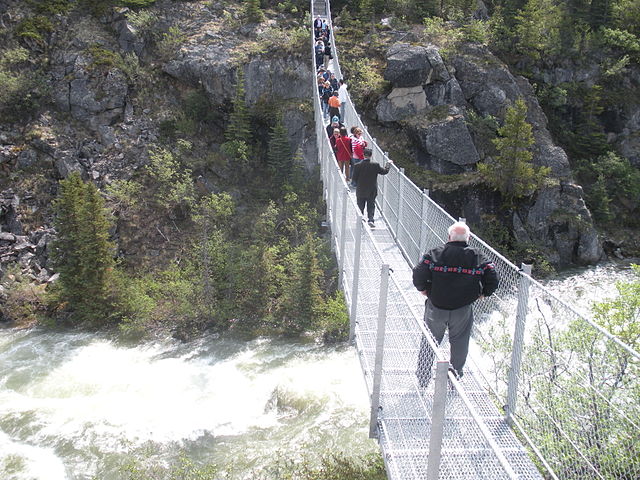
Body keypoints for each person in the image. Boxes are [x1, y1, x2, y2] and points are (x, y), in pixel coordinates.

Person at [412, 221, 499, 385]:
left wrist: (423, 289)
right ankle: (454, 378)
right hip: (462, 309)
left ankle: (423, 377)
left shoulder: (434, 254)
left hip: (436, 307)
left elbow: (418, 273)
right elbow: (493, 279)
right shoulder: (478, 256)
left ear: (449, 237)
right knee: (459, 344)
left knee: (429, 341)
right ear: (469, 238)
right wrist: (483, 294)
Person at [351, 148, 391, 228]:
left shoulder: (357, 165)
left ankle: (360, 220)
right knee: (371, 205)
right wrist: (388, 164)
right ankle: (371, 220)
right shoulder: (375, 165)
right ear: (371, 155)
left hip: (361, 190)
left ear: (363, 155)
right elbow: (384, 172)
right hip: (372, 190)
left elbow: (354, 179)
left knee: (360, 206)